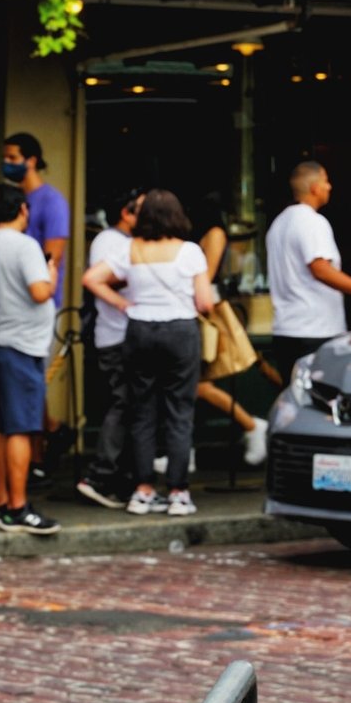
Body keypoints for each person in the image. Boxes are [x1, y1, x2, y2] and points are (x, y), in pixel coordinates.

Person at [0, 182, 61, 535]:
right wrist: (51, 276)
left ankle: (0, 502)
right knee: (20, 426)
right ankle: (19, 507)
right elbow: (39, 292)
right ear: (23, 210)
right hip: (23, 346)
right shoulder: (25, 246)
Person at [115, 189, 214, 517]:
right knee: (179, 412)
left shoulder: (131, 248)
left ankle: (143, 490)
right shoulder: (190, 252)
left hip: (140, 329)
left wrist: (122, 303)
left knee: (142, 411)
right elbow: (204, 303)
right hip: (179, 331)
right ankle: (178, 491)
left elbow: (93, 279)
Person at [266, 161, 351, 383]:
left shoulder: (278, 224)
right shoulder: (312, 222)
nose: (330, 187)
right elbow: (320, 269)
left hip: (286, 329)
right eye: (326, 181)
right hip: (315, 330)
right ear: (314, 187)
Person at [2, 130, 71, 470]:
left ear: (31, 160)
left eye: (13, 158)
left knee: (32, 381)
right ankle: (50, 432)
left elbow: (53, 255)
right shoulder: (16, 200)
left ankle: (40, 453)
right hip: (11, 305)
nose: (7, 164)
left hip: (40, 304)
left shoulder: (52, 201)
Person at [76, 186, 144, 509]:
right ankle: (100, 475)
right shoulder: (110, 241)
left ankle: (121, 477)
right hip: (117, 335)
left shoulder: (127, 241)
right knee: (123, 402)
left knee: (128, 405)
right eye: (142, 209)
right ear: (126, 213)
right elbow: (103, 279)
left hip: (127, 334)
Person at [191, 194, 268, 467]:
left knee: (198, 385)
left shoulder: (214, 233)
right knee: (193, 385)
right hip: (201, 306)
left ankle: (251, 426)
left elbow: (206, 275)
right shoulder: (211, 233)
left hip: (206, 310)